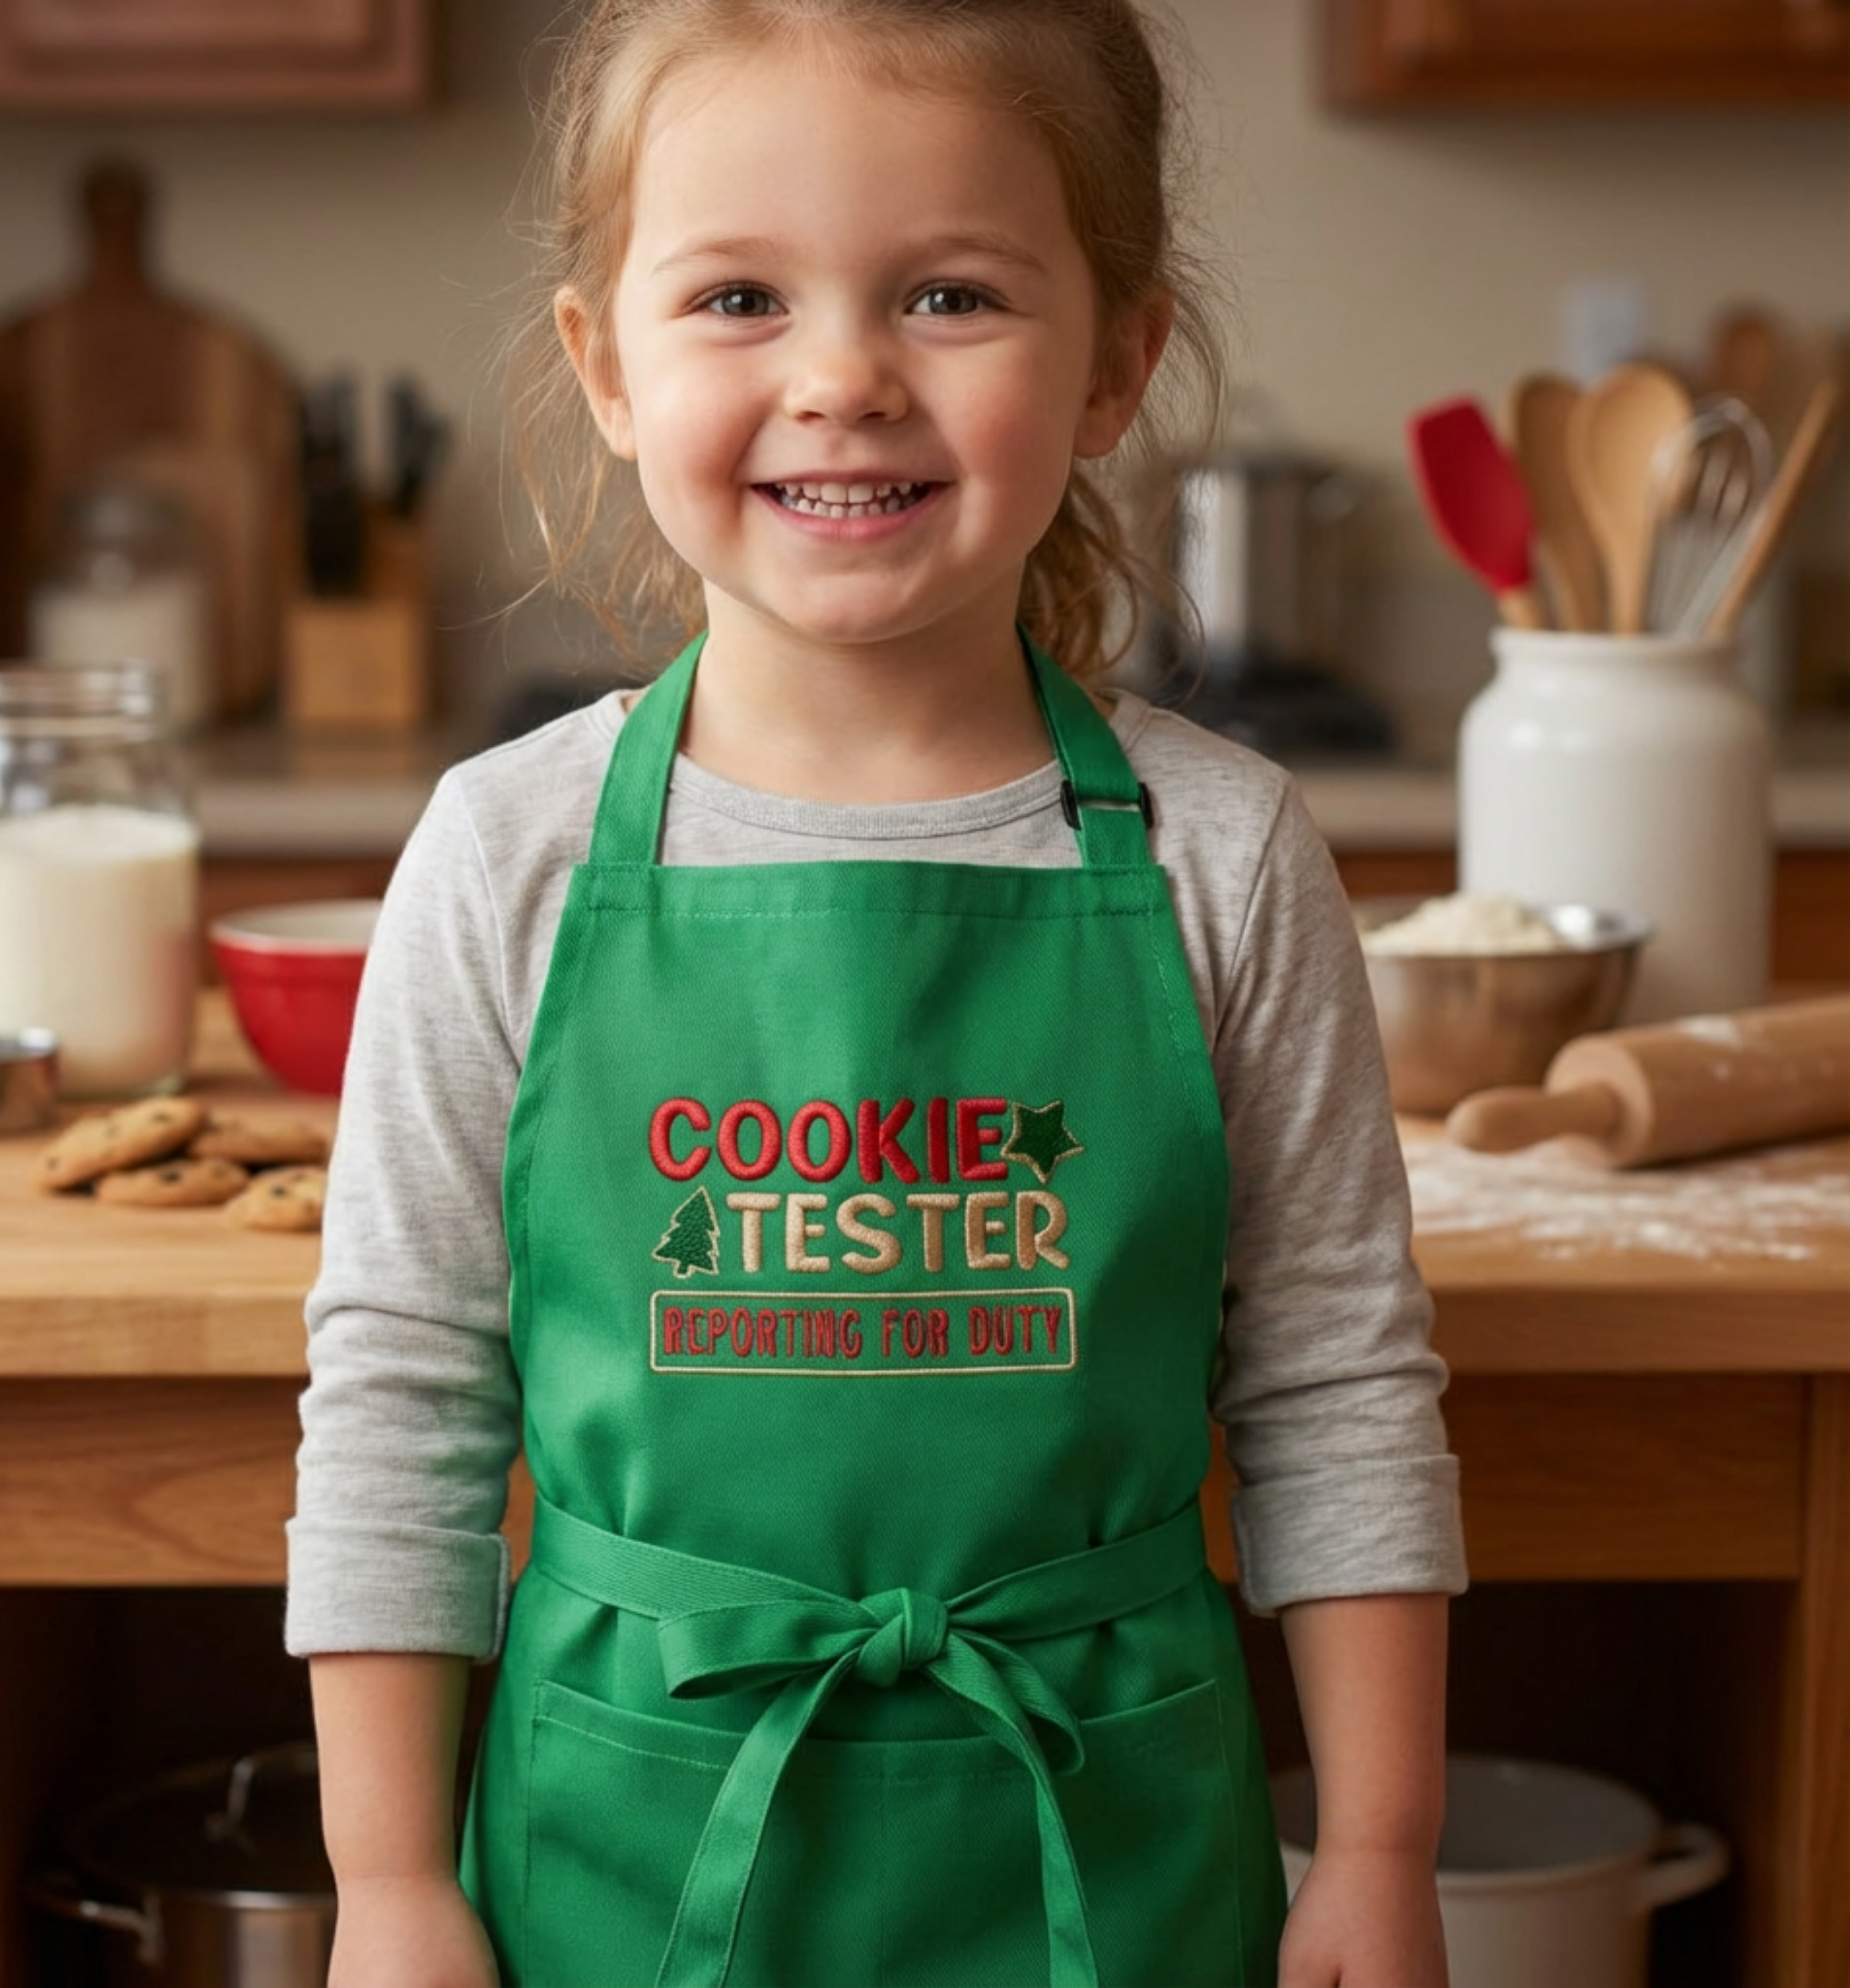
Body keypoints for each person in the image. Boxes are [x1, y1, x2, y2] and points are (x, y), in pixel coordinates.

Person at [288, 2, 1467, 1983]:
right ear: (605, 364)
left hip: (1105, 1842)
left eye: (948, 294)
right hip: (623, 1855)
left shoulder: (1225, 855)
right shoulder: (509, 856)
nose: (842, 379)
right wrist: (392, 1883)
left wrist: (1376, 1842)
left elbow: (1335, 1391)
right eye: (738, 295)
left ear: (1115, 366)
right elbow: (401, 1402)